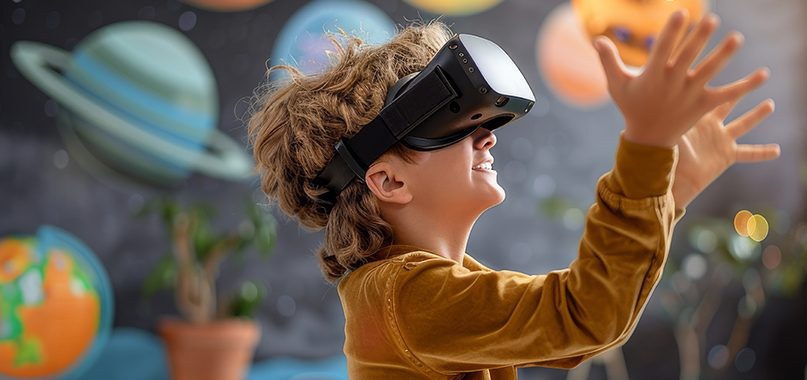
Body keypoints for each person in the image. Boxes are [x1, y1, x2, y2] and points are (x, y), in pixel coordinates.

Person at [247, 10, 778, 379]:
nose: (488, 137)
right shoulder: (404, 298)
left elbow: (591, 323)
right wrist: (646, 148)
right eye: (453, 126)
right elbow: (586, 314)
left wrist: (670, 188)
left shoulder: (414, 289)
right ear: (388, 182)